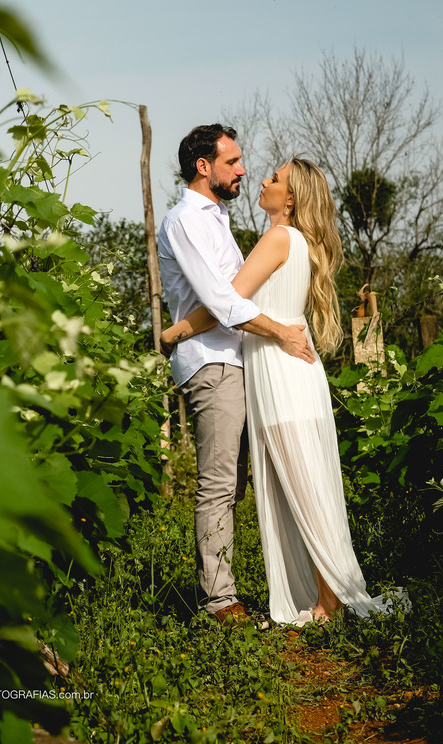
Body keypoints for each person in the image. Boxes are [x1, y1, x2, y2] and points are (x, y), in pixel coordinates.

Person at [162, 156, 408, 626]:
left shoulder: (278, 238)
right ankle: (325, 593)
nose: (263, 181)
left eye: (274, 179)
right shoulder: (296, 241)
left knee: (304, 486)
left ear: (290, 198)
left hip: (281, 374)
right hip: (291, 371)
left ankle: (329, 601)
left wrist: (174, 334)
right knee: (307, 483)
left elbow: (223, 305)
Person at [156, 124, 313, 626]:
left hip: (238, 360)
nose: (243, 169)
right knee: (219, 485)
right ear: (204, 166)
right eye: (233, 162)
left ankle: (249, 587)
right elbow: (224, 302)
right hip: (213, 361)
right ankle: (219, 603)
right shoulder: (187, 221)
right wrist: (281, 333)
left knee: (239, 487)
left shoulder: (217, 218)